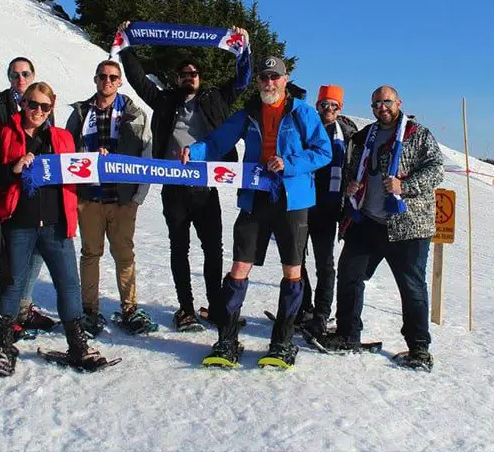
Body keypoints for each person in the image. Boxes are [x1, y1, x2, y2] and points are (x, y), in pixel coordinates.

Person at [182, 56, 331, 367]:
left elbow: (323, 152)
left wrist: (289, 164)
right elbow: (217, 141)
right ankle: (227, 340)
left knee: (292, 270)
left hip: (293, 200)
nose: (269, 83)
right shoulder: (248, 113)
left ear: (285, 80)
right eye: (264, 77)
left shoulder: (302, 112)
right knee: (239, 266)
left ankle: (282, 343)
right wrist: (192, 152)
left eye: (275, 77)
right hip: (255, 198)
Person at [117, 21, 250, 331]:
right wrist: (126, 45)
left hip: (205, 188)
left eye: (193, 74)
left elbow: (242, 81)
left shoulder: (214, 99)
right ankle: (186, 309)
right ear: (176, 79)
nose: (189, 78)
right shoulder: (165, 101)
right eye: (184, 75)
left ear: (199, 79)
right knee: (180, 248)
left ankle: (216, 307)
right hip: (174, 188)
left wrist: (244, 47)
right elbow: (139, 81)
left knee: (213, 249)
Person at [0, 82, 108, 376]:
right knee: (12, 285)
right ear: (23, 103)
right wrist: (13, 168)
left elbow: (78, 171)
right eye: (32, 104)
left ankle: (77, 344)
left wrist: (97, 160)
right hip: (18, 223)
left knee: (68, 285)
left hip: (55, 224)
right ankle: (3, 344)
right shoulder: (6, 134)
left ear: (52, 107)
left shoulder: (61, 137)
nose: (37, 111)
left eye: (44, 107)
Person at [323, 86, 444, 371]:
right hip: (367, 221)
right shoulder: (366, 136)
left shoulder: (417, 134)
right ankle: (347, 334)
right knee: (350, 276)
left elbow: (436, 169)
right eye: (376, 103)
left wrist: (406, 185)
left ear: (399, 103)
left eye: (387, 102)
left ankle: (419, 348)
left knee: (411, 287)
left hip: (408, 226)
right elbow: (353, 169)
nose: (382, 107)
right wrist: (351, 184)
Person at [65, 59, 154, 337]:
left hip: (122, 198)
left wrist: (139, 195)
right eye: (102, 76)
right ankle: (89, 309)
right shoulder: (80, 113)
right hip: (90, 197)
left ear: (120, 82)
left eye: (113, 77)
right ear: (95, 79)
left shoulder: (135, 114)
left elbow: (145, 155)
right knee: (91, 254)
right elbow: (67, 153)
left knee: (124, 255)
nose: (107, 81)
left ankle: (130, 308)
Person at [0, 57, 56, 333]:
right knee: (8, 256)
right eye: (14, 74)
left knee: (35, 251)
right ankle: (4, 315)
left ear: (33, 75)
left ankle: (23, 306)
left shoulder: (43, 102)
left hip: (36, 193)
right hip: (6, 190)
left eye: (25, 73)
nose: (20, 78)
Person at [297, 84, 357, 338]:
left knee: (325, 263)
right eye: (324, 105)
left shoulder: (347, 135)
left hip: (329, 207)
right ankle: (303, 306)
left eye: (334, 105)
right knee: (295, 260)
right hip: (301, 203)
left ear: (340, 108)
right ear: (317, 105)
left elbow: (356, 165)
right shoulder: (305, 128)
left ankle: (321, 313)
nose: (329, 110)